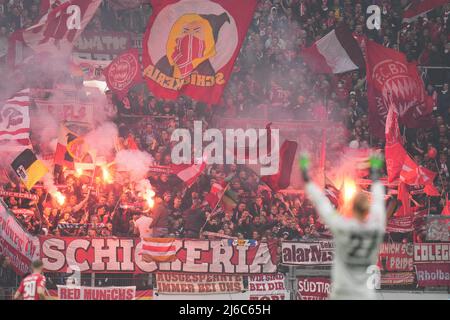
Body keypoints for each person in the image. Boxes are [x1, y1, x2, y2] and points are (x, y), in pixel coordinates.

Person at [300, 154, 386, 300]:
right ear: (367, 210)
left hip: (342, 293)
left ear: (352, 208)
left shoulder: (341, 226)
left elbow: (323, 204)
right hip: (364, 294)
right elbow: (378, 202)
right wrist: (376, 176)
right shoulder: (376, 227)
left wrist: (307, 179)